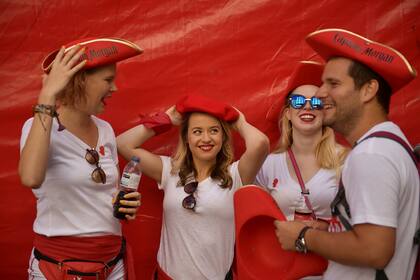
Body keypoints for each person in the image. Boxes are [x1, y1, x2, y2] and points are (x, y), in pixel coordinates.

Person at [274, 28, 419, 280]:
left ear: (368, 90)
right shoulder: (389, 144)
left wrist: (302, 236)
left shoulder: (371, 154)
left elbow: (374, 250)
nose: (320, 94)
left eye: (333, 83)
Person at [19, 38, 143, 279]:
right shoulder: (40, 127)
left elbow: (102, 192)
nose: (114, 88)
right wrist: (46, 96)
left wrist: (123, 202)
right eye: (108, 80)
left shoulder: (105, 129)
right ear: (79, 80)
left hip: (111, 263)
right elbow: (31, 177)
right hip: (58, 264)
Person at [116, 93, 269, 279]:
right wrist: (165, 119)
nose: (206, 138)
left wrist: (238, 121)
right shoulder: (170, 171)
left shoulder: (235, 175)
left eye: (214, 130)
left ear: (223, 136)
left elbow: (260, 144)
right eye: (197, 131)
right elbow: (123, 144)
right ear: (187, 138)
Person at [256, 61, 348, 228]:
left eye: (316, 102)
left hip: (332, 253)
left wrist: (325, 228)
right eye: (298, 101)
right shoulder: (269, 165)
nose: (307, 107)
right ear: (288, 113)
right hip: (283, 253)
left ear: (324, 112)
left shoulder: (345, 160)